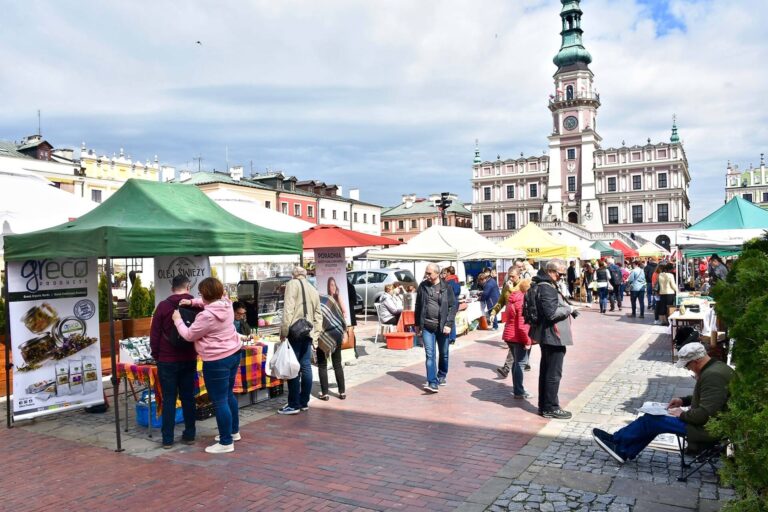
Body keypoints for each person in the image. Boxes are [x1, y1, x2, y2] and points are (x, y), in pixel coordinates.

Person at [592, 342, 735, 463]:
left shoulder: (713, 375)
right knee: (652, 420)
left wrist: (681, 415)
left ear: (696, 361)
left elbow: (704, 415)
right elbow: (709, 399)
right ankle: (623, 449)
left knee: (652, 420)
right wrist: (683, 401)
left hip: (708, 429)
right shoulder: (716, 367)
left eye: (687, 365)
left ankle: (618, 442)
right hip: (709, 424)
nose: (687, 369)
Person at [174, 277, 242, 454]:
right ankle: (233, 432)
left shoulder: (206, 316)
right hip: (233, 353)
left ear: (204, 295)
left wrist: (177, 320)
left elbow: (189, 335)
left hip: (216, 360)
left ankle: (226, 442)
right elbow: (208, 301)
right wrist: (191, 301)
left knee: (220, 401)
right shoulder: (227, 304)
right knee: (228, 395)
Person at [149, 275, 200, 449]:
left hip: (167, 359)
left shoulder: (163, 306)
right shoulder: (196, 305)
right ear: (188, 287)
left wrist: (156, 355)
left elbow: (154, 334)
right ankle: (190, 434)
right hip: (189, 357)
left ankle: (167, 439)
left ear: (172, 288)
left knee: (169, 399)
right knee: (188, 398)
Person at [530, 259, 577, 419]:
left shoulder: (543, 285)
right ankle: (551, 407)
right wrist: (568, 309)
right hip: (553, 335)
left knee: (547, 372)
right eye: (560, 274)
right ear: (551, 271)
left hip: (548, 335)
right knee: (553, 374)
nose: (562, 277)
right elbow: (551, 314)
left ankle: (544, 406)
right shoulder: (547, 288)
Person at [278, 266, 323, 415]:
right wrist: (315, 335)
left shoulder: (292, 284)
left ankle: (294, 404)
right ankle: (304, 402)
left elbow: (288, 309)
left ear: (294, 275)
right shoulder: (312, 288)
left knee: (292, 367)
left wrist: (284, 331)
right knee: (306, 366)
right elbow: (318, 314)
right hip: (308, 331)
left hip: (295, 331)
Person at [414, 263, 458, 393]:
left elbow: (452, 307)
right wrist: (417, 324)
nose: (427, 275)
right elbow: (418, 305)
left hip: (442, 326)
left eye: (429, 273)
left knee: (444, 354)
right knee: (430, 354)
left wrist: (449, 324)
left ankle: (442, 374)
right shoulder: (423, 286)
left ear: (437, 273)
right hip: (427, 326)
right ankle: (432, 382)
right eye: (426, 273)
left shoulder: (446, 287)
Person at [501, 279, 533, 399]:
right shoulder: (523, 301)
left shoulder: (513, 298)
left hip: (509, 335)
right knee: (520, 363)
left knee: (516, 362)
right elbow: (521, 325)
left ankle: (517, 388)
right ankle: (519, 390)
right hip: (518, 336)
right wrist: (527, 341)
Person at [316, 294, 347, 401]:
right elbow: (340, 315)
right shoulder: (329, 299)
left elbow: (316, 323)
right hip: (337, 332)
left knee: (322, 365)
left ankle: (325, 394)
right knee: (337, 364)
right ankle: (342, 392)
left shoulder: (314, 303)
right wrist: (344, 330)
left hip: (323, 336)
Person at [444, 266, 462, 344]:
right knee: (452, 319)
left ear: (448, 272)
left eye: (446, 273)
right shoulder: (456, 280)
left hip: (450, 302)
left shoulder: (448, 281)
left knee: (449, 319)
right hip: (456, 301)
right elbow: (458, 291)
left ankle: (450, 338)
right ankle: (453, 338)